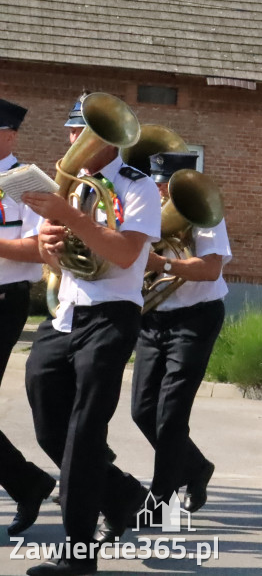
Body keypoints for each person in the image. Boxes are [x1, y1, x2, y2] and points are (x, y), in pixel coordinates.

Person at [20, 94, 162, 575]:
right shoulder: (73, 188)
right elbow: (53, 255)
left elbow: (124, 254)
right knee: (45, 416)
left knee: (84, 432)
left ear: (108, 141)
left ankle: (78, 552)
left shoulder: (136, 187)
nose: (71, 140)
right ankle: (122, 493)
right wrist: (48, 243)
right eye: (71, 131)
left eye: (81, 132)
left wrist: (73, 217)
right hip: (66, 314)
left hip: (112, 314)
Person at [129, 152, 230, 521]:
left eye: (164, 186)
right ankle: (196, 467)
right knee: (142, 410)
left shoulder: (202, 213)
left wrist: (162, 264)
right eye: (155, 184)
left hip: (195, 318)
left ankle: (161, 501)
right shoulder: (144, 211)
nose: (158, 192)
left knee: (170, 415)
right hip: (154, 318)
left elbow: (211, 268)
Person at [0, 100, 56, 537]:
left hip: (4, 300)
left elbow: (40, 248)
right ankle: (29, 482)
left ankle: (28, 483)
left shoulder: (27, 183)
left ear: (11, 135)